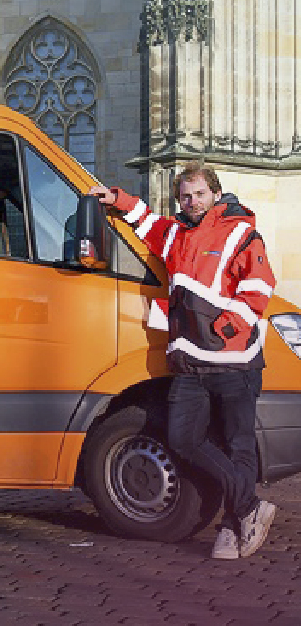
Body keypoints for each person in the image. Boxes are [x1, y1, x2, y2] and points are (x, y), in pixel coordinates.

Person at [89, 162, 277, 560]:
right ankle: (249, 506)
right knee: (184, 439)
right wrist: (118, 201)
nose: (191, 202)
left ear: (214, 194)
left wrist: (222, 330)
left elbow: (259, 288)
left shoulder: (241, 231)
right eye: (185, 197)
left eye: (199, 195)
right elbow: (148, 225)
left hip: (234, 361)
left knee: (237, 445)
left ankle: (231, 526)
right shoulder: (174, 232)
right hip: (190, 363)